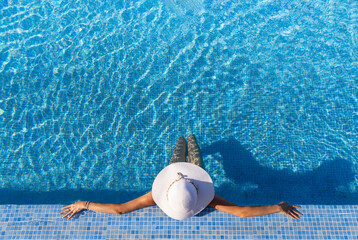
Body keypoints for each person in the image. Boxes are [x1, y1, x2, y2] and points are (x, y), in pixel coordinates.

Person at [61, 134, 302, 220]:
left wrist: (85, 204)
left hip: (179, 175)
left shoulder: (155, 197)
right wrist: (277, 207)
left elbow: (120, 210)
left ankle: (186, 140)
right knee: (190, 145)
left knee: (181, 145)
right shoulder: (207, 198)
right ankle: (191, 139)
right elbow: (241, 212)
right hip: (187, 176)